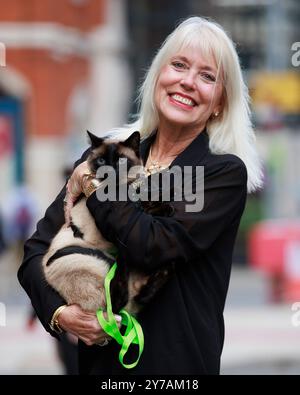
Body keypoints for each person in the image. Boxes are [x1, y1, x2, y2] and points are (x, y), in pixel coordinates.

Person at [18, 16, 263, 375]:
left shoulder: (221, 173)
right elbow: (35, 251)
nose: (187, 82)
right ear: (157, 76)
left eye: (207, 76)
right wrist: (60, 313)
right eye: (178, 65)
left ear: (219, 104)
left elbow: (151, 244)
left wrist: (96, 185)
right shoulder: (106, 155)